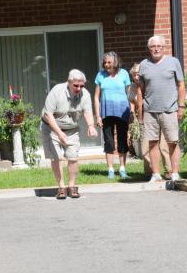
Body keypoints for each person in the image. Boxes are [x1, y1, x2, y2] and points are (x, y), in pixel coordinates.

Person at [41, 69, 97, 199]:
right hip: (51, 128)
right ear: (69, 82)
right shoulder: (57, 91)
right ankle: (61, 187)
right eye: (76, 85)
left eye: (81, 85)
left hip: (71, 129)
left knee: (73, 157)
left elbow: (87, 111)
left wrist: (91, 126)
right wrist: (59, 133)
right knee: (56, 157)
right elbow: (48, 114)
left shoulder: (85, 94)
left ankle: (72, 186)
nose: (79, 88)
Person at [137, 35, 185, 182]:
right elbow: (140, 89)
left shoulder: (173, 62)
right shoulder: (144, 64)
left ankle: (175, 172)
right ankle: (156, 173)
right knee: (152, 142)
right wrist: (140, 112)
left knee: (173, 142)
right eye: (153, 46)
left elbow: (181, 85)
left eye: (159, 46)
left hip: (170, 109)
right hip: (150, 110)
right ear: (149, 48)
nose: (156, 49)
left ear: (164, 48)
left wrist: (181, 106)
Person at [129, 63, 171, 177]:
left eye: (138, 74)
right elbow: (132, 102)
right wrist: (132, 113)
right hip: (142, 119)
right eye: (134, 75)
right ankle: (151, 172)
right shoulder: (132, 88)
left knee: (163, 146)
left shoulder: (150, 85)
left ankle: (169, 171)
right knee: (144, 149)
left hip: (157, 116)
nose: (136, 77)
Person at [94, 51, 131, 180]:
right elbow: (96, 96)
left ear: (115, 62)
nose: (106, 64)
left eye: (109, 62)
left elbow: (129, 94)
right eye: (105, 62)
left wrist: (131, 111)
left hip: (122, 111)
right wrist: (98, 116)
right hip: (106, 112)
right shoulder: (100, 75)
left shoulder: (124, 74)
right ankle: (110, 169)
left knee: (122, 140)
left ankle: (122, 169)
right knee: (109, 141)